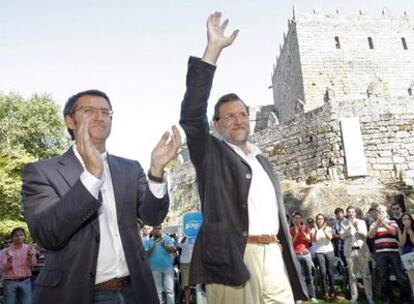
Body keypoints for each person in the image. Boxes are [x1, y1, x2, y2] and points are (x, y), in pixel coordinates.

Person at [179, 12, 307, 304]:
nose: (237, 121)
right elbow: (190, 115)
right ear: (216, 125)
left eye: (242, 114)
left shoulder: (262, 158)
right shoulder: (211, 154)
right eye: (228, 117)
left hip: (273, 254)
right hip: (232, 256)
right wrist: (213, 51)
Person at [22, 89, 181, 304]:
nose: (100, 117)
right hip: (76, 294)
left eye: (106, 112)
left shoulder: (130, 168)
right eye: (89, 110)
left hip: (134, 291)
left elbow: (153, 217)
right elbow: (47, 234)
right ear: (70, 120)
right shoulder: (42, 172)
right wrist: (91, 176)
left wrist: (156, 171)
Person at [368, 204, 411, 304]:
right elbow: (370, 236)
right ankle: (388, 298)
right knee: (384, 277)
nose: (380, 214)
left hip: (393, 252)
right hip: (380, 253)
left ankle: (405, 298)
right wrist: (378, 224)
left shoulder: (392, 222)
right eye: (379, 212)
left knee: (400, 276)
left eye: (382, 211)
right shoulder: (373, 224)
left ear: (386, 213)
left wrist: (384, 223)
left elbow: (393, 232)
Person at [340, 206, 374, 304]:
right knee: (352, 275)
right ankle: (354, 297)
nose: (351, 214)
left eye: (353, 212)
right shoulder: (343, 223)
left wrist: (356, 228)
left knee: (366, 275)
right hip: (349, 251)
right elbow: (342, 236)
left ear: (355, 213)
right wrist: (349, 228)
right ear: (347, 213)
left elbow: (365, 235)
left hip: (361, 250)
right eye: (349, 212)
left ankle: (369, 297)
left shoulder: (361, 222)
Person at [0, 227, 37, 304]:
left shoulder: (29, 249)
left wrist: (30, 257)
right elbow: (3, 269)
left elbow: (33, 265)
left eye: (21, 235)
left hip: (26, 281)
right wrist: (9, 259)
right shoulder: (4, 251)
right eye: (16, 235)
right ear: (12, 238)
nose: (19, 237)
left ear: (24, 237)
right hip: (10, 282)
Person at [144, 225, 176, 304]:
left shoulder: (167, 239)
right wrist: (152, 247)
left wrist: (164, 246)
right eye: (155, 228)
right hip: (154, 268)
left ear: (161, 229)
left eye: (159, 228)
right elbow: (145, 255)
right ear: (153, 230)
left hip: (167, 268)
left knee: (170, 291)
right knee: (158, 291)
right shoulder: (148, 242)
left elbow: (173, 250)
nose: (157, 230)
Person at [290, 212, 318, 303]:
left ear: (301, 220)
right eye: (296, 218)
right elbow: (291, 244)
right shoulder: (290, 230)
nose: (297, 220)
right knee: (298, 276)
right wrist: (296, 234)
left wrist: (303, 233)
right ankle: (299, 297)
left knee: (309, 276)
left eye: (299, 218)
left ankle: (312, 296)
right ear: (293, 220)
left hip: (306, 254)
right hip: (296, 255)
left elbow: (309, 241)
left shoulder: (306, 228)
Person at [310, 214, 336, 302]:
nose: (320, 220)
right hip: (319, 252)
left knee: (330, 272)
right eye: (318, 219)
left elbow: (330, 238)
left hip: (329, 251)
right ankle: (325, 293)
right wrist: (317, 230)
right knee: (323, 272)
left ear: (324, 220)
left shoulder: (328, 228)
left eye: (321, 219)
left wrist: (324, 230)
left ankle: (332, 292)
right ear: (316, 220)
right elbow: (313, 240)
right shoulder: (313, 230)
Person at [398, 212, 414, 295]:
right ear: (402, 221)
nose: (407, 220)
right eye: (404, 219)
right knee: (412, 277)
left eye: (408, 219)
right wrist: (404, 231)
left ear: (411, 220)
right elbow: (402, 244)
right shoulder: (400, 229)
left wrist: (410, 232)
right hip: (407, 253)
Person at [178, 236, 195, 304]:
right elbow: (180, 245)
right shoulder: (183, 234)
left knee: (200, 283)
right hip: (185, 263)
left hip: (197, 262)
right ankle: (187, 302)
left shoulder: (197, 232)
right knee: (186, 284)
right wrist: (185, 236)